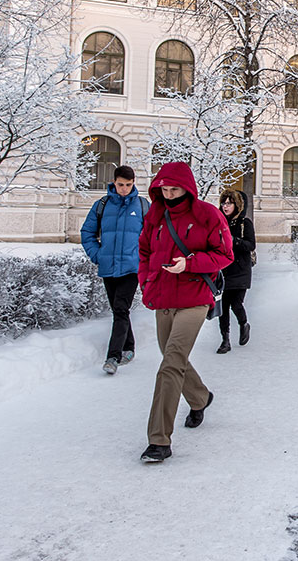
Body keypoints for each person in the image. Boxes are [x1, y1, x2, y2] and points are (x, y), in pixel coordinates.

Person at [137, 161, 234, 463]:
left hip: (194, 298)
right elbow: (143, 252)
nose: (169, 194)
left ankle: (159, 440)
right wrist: (146, 281)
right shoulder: (155, 216)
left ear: (188, 188)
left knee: (171, 363)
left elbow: (224, 254)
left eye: (175, 189)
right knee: (172, 357)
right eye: (164, 189)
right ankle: (200, 397)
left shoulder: (206, 215)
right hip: (163, 297)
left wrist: (188, 263)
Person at [80, 165, 148, 376]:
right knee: (119, 310)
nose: (125, 189)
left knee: (120, 308)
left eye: (128, 185)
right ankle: (129, 347)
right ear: (114, 183)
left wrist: (143, 259)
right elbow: (87, 232)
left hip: (131, 268)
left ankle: (113, 356)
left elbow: (153, 236)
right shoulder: (102, 205)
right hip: (108, 266)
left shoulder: (143, 205)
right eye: (121, 185)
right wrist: (97, 255)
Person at [216, 188, 256, 354]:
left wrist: (234, 241)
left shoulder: (244, 224)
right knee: (223, 307)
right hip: (223, 270)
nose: (225, 207)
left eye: (229, 203)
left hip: (240, 270)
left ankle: (243, 324)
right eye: (223, 203)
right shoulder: (219, 223)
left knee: (236, 304)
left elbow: (250, 245)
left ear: (236, 205)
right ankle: (225, 340)